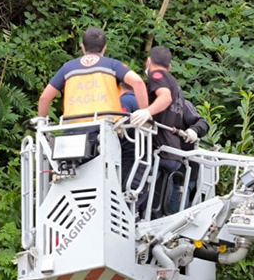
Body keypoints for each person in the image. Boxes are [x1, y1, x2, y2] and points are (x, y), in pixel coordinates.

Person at [130, 46, 208, 215]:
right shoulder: (178, 91)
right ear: (170, 66)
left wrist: (147, 112)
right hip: (173, 155)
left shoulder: (158, 76)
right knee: (157, 204)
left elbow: (165, 97)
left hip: (158, 150)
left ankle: (130, 216)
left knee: (134, 190)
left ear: (148, 61)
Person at [35, 27, 148, 125]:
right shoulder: (112, 65)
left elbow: (44, 98)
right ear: (105, 47)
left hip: (72, 127)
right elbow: (137, 82)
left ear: (82, 47)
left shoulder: (67, 68)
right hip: (105, 127)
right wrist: (144, 113)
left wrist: (41, 121)